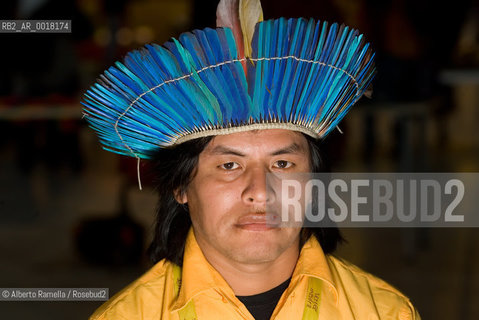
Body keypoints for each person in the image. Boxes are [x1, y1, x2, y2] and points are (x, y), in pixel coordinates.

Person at [82, 1, 420, 319]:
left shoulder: (385, 312)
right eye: (230, 165)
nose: (260, 192)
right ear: (180, 185)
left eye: (283, 164)